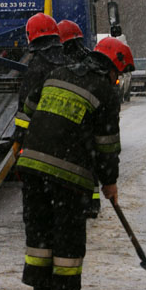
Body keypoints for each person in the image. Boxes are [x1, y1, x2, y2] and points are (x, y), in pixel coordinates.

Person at [16, 36, 134, 290]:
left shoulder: (58, 72)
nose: (117, 79)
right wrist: (110, 183)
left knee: (39, 229)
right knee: (67, 231)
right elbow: (107, 145)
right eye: (119, 73)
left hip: (32, 165)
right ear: (113, 66)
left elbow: (30, 108)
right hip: (68, 173)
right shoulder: (105, 92)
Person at [57, 20, 101, 218]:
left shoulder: (61, 63)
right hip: (89, 124)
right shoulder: (91, 60)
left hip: (68, 123)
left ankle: (74, 202)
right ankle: (92, 203)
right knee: (89, 164)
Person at [13, 13, 70, 151]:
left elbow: (26, 106)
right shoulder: (69, 62)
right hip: (70, 134)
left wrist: (18, 138)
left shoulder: (37, 66)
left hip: (44, 136)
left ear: (30, 36)